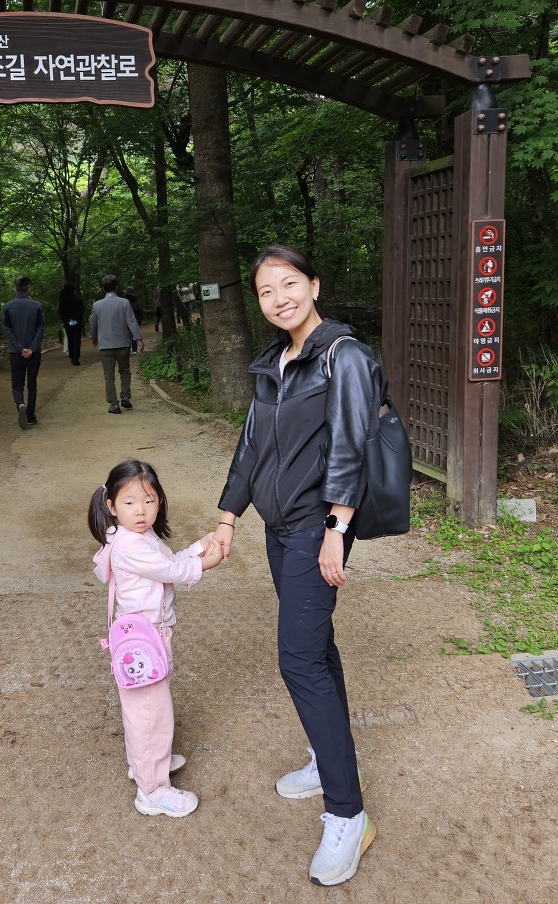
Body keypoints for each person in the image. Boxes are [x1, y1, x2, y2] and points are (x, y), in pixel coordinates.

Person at [214, 244, 386, 887]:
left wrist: (338, 529)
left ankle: (349, 814)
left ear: (314, 284)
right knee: (317, 648)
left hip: (318, 526)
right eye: (266, 291)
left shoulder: (344, 356)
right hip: (279, 530)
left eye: (289, 284)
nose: (279, 298)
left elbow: (352, 447)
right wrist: (228, 517)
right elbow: (250, 447)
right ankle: (327, 758)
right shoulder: (275, 364)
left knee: (298, 659)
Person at [88, 459, 223, 818]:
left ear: (159, 500)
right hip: (146, 639)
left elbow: (168, 561)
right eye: (130, 502)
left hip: (148, 636)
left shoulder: (136, 536)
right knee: (151, 714)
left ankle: (148, 761)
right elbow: (173, 570)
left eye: (149, 500)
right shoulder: (130, 545)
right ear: (112, 505)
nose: (141, 510)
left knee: (146, 709)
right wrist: (207, 561)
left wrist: (200, 545)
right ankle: (152, 789)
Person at [88, 275, 143, 414]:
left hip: (105, 345)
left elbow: (93, 323)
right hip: (122, 343)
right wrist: (138, 338)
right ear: (116, 288)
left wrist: (94, 337)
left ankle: (114, 404)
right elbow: (131, 321)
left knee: (108, 375)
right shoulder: (124, 303)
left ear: (103, 289)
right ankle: (125, 396)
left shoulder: (97, 305)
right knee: (125, 370)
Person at [1, 275, 46, 428]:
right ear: (29, 289)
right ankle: (31, 415)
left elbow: (7, 329)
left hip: (15, 352)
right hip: (34, 352)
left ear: (15, 288)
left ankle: (20, 403)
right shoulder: (37, 306)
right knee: (32, 383)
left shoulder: (7, 307)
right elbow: (40, 328)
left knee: (17, 384)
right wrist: (32, 348)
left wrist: (20, 347)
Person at [57, 283, 85, 366]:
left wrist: (68, 320)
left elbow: (61, 312)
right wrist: (75, 319)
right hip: (77, 322)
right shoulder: (78, 300)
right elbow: (81, 311)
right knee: (77, 340)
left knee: (70, 339)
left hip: (68, 323)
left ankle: (72, 356)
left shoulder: (62, 301)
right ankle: (76, 357)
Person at [122, 286, 144, 354]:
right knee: (134, 333)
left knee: (126, 334)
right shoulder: (135, 300)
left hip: (125, 319)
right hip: (135, 318)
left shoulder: (123, 301)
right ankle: (134, 350)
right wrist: (139, 320)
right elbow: (140, 311)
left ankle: (127, 348)